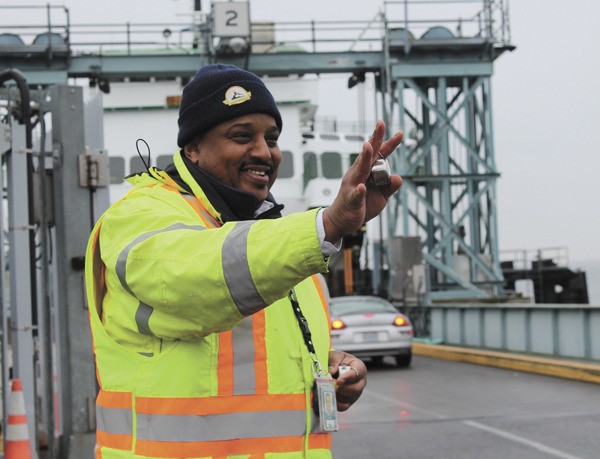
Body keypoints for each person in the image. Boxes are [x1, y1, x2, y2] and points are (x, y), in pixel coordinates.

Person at [85, 64, 404, 458]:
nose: (263, 151)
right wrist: (327, 224)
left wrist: (329, 366)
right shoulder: (139, 218)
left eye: (271, 138)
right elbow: (199, 279)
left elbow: (257, 354)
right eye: (241, 136)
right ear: (193, 149)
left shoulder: (281, 239)